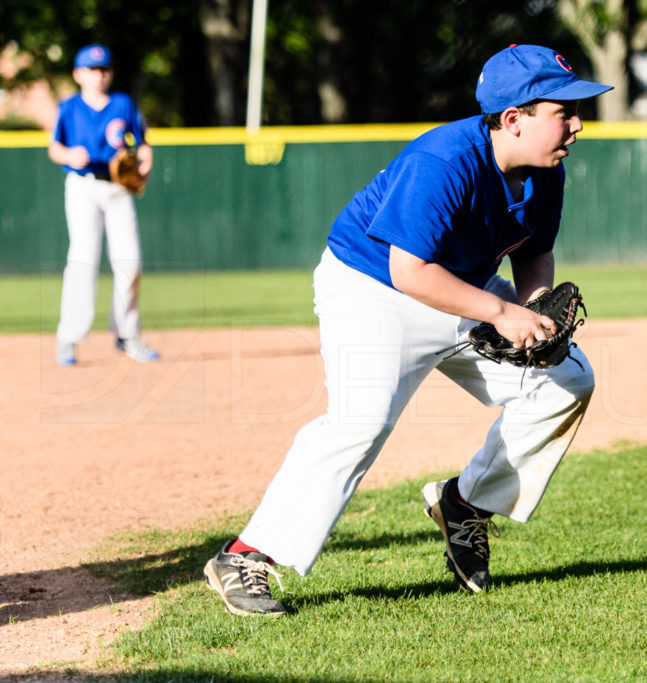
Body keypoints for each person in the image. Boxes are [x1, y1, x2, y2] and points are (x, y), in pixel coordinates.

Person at [203, 44, 611, 617]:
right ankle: (245, 555)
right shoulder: (444, 160)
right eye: (563, 111)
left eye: (577, 109)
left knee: (565, 379)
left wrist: (533, 306)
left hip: (459, 285)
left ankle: (465, 504)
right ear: (514, 119)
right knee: (360, 422)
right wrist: (500, 313)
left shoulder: (547, 171)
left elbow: (535, 253)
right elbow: (408, 271)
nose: (577, 123)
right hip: (373, 289)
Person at [48, 44, 160, 366]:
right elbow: (55, 147)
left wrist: (144, 167)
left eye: (105, 69)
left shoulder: (123, 104)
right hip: (82, 187)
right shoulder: (69, 107)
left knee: (130, 260)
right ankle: (68, 338)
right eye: (93, 69)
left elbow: (143, 146)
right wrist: (70, 155)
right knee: (82, 260)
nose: (100, 75)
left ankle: (127, 335)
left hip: (117, 189)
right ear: (78, 74)